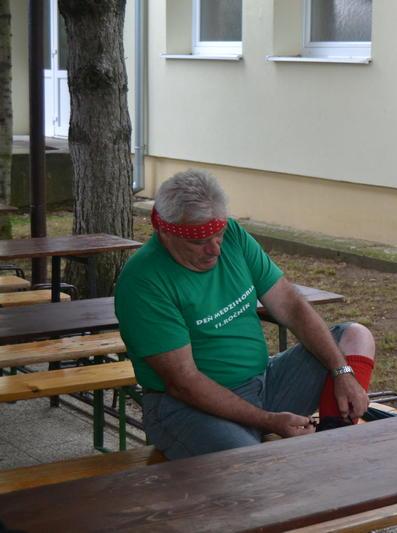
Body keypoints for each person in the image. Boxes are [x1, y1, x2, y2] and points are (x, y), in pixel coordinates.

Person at [115, 169, 376, 460]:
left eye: (218, 235)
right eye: (199, 242)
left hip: (263, 383)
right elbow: (183, 383)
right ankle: (316, 459)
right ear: (165, 231)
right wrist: (268, 421)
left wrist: (342, 371)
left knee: (356, 337)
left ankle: (332, 442)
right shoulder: (144, 281)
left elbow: (290, 304)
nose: (215, 250)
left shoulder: (234, 237)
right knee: (250, 465)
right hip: (188, 408)